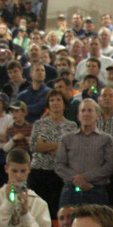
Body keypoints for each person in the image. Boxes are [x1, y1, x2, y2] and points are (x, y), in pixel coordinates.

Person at [29, 90, 78, 220]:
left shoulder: (71, 126)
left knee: (56, 212)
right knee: (37, 213)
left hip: (60, 175)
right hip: (39, 173)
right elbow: (35, 146)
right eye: (52, 100)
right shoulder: (39, 124)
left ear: (64, 104)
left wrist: (46, 146)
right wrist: (59, 145)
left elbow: (71, 150)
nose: (55, 103)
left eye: (58, 100)